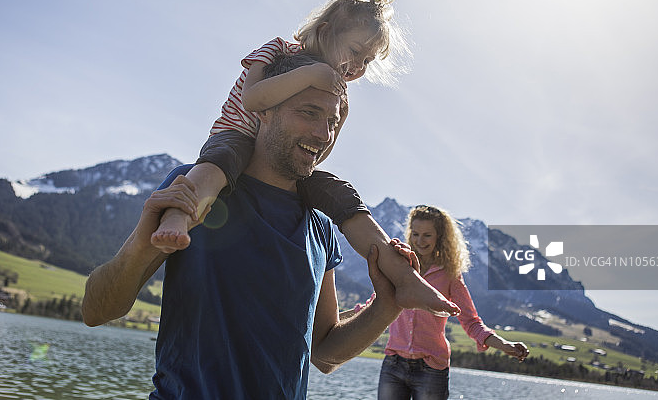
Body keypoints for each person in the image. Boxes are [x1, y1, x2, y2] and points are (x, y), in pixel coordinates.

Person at [82, 53, 418, 399]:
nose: (323, 134)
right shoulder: (196, 190)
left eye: (332, 122)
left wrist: (387, 306)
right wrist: (141, 245)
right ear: (264, 108)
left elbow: (324, 352)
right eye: (308, 113)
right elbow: (95, 311)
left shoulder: (320, 227)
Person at [149, 0, 458, 316]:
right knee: (214, 168)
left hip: (282, 160)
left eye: (367, 61)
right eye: (355, 52)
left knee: (343, 196)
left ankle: (406, 279)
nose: (358, 67)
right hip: (235, 135)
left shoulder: (337, 92)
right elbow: (252, 99)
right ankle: (178, 218)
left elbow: (320, 150)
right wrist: (312, 75)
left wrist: (334, 114)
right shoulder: (278, 50)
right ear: (325, 32)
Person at [376, 205, 529, 400]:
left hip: (431, 369)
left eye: (427, 235)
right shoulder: (399, 267)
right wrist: (341, 321)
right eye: (415, 234)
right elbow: (376, 304)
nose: (420, 241)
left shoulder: (449, 275)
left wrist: (504, 345)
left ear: (439, 236)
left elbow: (471, 322)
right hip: (393, 365)